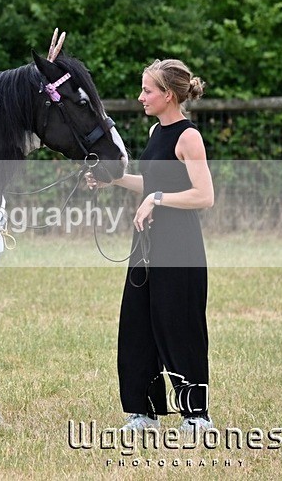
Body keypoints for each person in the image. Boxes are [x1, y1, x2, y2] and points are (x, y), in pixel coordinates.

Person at [90, 58, 214, 434]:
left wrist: (158, 198)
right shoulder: (154, 133)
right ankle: (143, 413)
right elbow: (151, 181)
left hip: (180, 247)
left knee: (179, 325)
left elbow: (204, 196)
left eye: (147, 90)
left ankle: (196, 416)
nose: (141, 96)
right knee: (138, 325)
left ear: (169, 95)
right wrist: (111, 180)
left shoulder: (188, 137)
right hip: (146, 244)